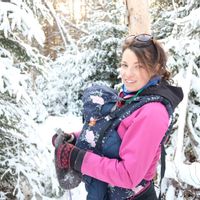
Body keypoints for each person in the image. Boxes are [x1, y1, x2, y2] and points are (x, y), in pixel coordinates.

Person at [52, 34, 183, 200]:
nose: (128, 74)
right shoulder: (133, 96)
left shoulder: (153, 112)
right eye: (125, 65)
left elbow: (128, 175)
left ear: (156, 68)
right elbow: (112, 132)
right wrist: (73, 140)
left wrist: (77, 158)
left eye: (139, 66)